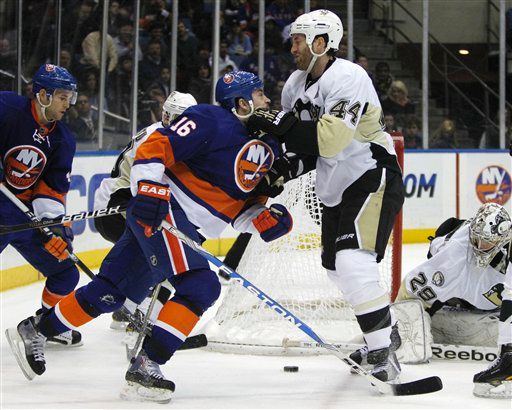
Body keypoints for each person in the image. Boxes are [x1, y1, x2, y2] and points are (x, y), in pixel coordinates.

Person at [6, 71, 294, 403]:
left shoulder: (263, 149)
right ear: (241, 103)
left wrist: (260, 218)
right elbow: (156, 146)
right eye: (259, 94)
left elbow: (233, 209)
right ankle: (148, 363)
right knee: (201, 285)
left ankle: (35, 330)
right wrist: (150, 188)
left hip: (184, 223)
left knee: (110, 293)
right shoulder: (212, 118)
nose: (267, 100)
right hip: (165, 210)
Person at [246, 9, 405, 382]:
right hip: (336, 186)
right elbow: (307, 150)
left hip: (372, 175)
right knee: (336, 269)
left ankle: (383, 353)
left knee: (352, 263)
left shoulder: (350, 78)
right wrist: (281, 171)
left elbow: (329, 141)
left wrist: (271, 121)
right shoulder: (294, 86)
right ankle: (386, 331)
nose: (293, 46)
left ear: (322, 43)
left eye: (300, 39)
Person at [93, 90, 198, 329]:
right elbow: (144, 187)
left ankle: (128, 308)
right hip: (115, 208)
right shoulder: (157, 137)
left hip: (121, 204)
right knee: (172, 255)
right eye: (176, 117)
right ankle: (134, 309)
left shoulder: (169, 135)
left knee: (166, 256)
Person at [0, 64, 82, 346]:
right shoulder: (7, 108)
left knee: (66, 271)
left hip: (25, 218)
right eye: (62, 97)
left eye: (69, 97)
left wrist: (54, 228)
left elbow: (52, 187)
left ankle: (48, 324)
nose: (67, 104)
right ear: (42, 95)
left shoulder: (63, 139)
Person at [395, 202, 512, 398]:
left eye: (487, 242)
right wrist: (396, 326)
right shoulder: (454, 254)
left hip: (488, 305)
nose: (480, 246)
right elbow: (410, 289)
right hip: (454, 303)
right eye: (477, 239)